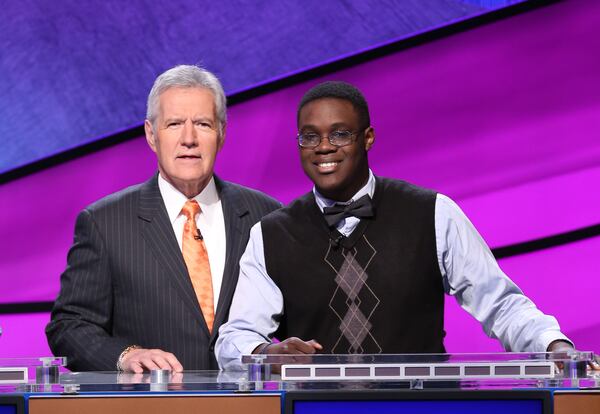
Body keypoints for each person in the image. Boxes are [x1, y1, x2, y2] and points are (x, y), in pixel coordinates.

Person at [216, 80, 585, 371]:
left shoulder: (433, 213)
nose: (323, 147)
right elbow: (235, 337)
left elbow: (501, 306)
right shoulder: (271, 234)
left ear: (368, 138)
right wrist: (264, 352)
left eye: (339, 134)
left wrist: (554, 346)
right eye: (310, 136)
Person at [46, 65, 281, 372]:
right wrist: (125, 355)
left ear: (222, 133)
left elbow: (301, 319)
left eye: (203, 124)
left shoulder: (267, 216)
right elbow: (69, 326)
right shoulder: (104, 223)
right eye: (173, 124)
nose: (188, 138)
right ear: (151, 134)